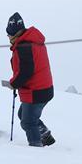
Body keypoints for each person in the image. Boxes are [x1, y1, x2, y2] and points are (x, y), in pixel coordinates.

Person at [6, 12, 55, 147]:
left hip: (36, 91)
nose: (8, 37)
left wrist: (13, 83)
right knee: (24, 114)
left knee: (28, 122)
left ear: (14, 33)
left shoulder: (24, 47)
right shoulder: (33, 42)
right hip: (44, 88)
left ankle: (36, 147)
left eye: (8, 34)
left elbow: (25, 72)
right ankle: (44, 134)